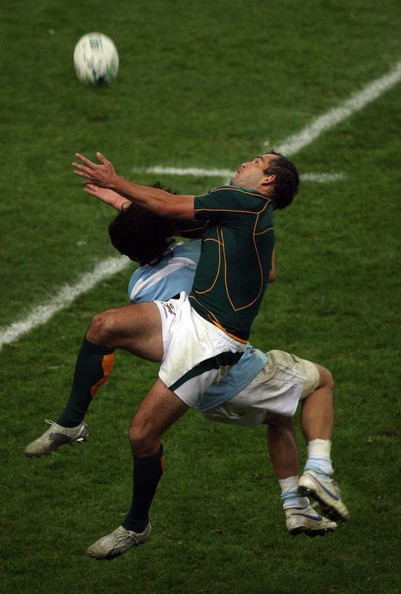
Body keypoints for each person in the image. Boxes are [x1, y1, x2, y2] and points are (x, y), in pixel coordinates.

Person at [26, 180, 349, 559]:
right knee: (316, 385)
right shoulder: (200, 253)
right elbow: (260, 266)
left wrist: (123, 203)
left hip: (203, 395)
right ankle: (313, 479)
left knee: (276, 418)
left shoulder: (140, 287)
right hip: (231, 368)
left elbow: (154, 227)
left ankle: (295, 507)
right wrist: (258, 225)